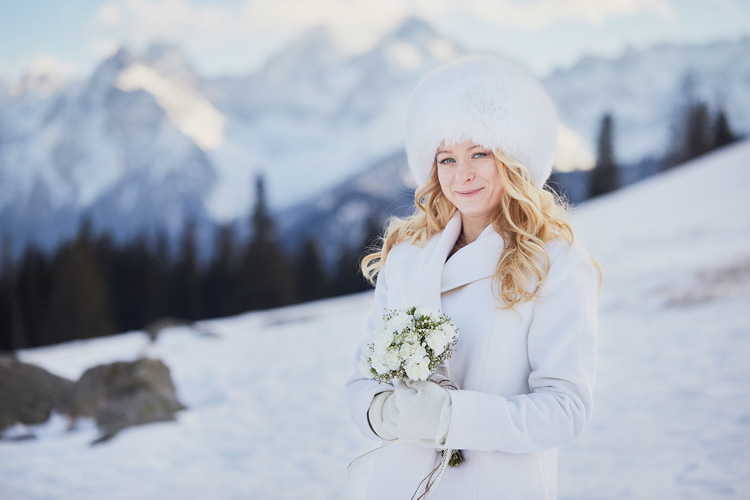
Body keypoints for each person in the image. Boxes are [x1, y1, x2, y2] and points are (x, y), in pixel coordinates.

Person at [345, 55, 600, 500]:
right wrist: (384, 412)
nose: (462, 175)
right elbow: (362, 380)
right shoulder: (407, 258)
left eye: (479, 153)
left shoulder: (554, 262)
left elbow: (565, 409)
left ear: (512, 159)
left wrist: (451, 417)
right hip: (401, 488)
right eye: (447, 159)